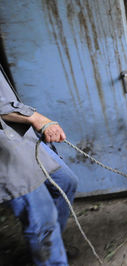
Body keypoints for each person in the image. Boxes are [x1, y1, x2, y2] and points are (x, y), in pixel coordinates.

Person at [0, 64, 78, 266]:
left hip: (17, 135)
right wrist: (36, 118)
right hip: (4, 152)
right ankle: (50, 257)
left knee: (66, 183)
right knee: (41, 218)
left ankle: (50, 247)